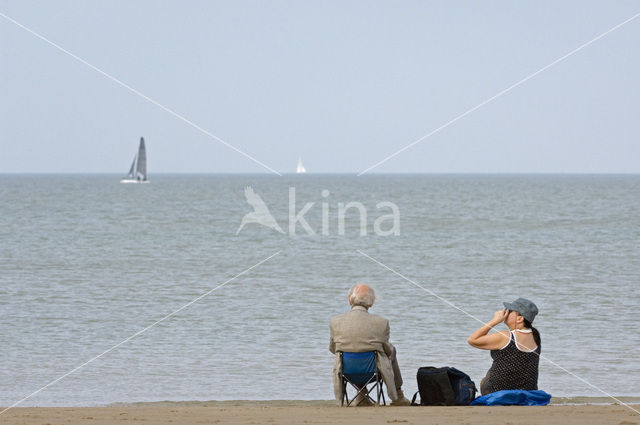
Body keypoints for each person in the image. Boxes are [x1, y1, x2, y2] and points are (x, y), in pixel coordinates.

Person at [329, 283, 411, 406]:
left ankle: (361, 395)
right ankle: (398, 396)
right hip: (374, 372)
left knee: (352, 352)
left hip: (346, 372)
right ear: (371, 303)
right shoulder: (381, 322)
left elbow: (333, 348)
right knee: (391, 351)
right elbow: (387, 350)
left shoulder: (335, 322)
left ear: (349, 300)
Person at [467, 298, 541, 395]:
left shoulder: (505, 336)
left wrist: (494, 321)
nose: (505, 312)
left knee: (486, 377)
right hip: (528, 391)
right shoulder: (536, 337)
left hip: (497, 391)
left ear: (520, 318)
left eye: (510, 311)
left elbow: (472, 340)